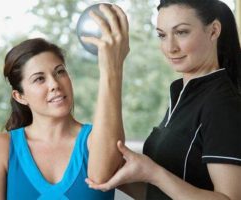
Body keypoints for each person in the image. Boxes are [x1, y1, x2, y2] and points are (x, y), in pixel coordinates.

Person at [86, 0, 241, 199]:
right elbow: (162, 193)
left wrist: (153, 173)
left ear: (213, 31)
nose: (170, 47)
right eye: (162, 35)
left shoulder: (223, 105)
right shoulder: (181, 95)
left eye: (181, 32)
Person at [0, 4, 129, 200]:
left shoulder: (97, 140)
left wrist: (112, 65)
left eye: (60, 72)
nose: (55, 84)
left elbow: (109, 178)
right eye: (39, 79)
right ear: (20, 96)